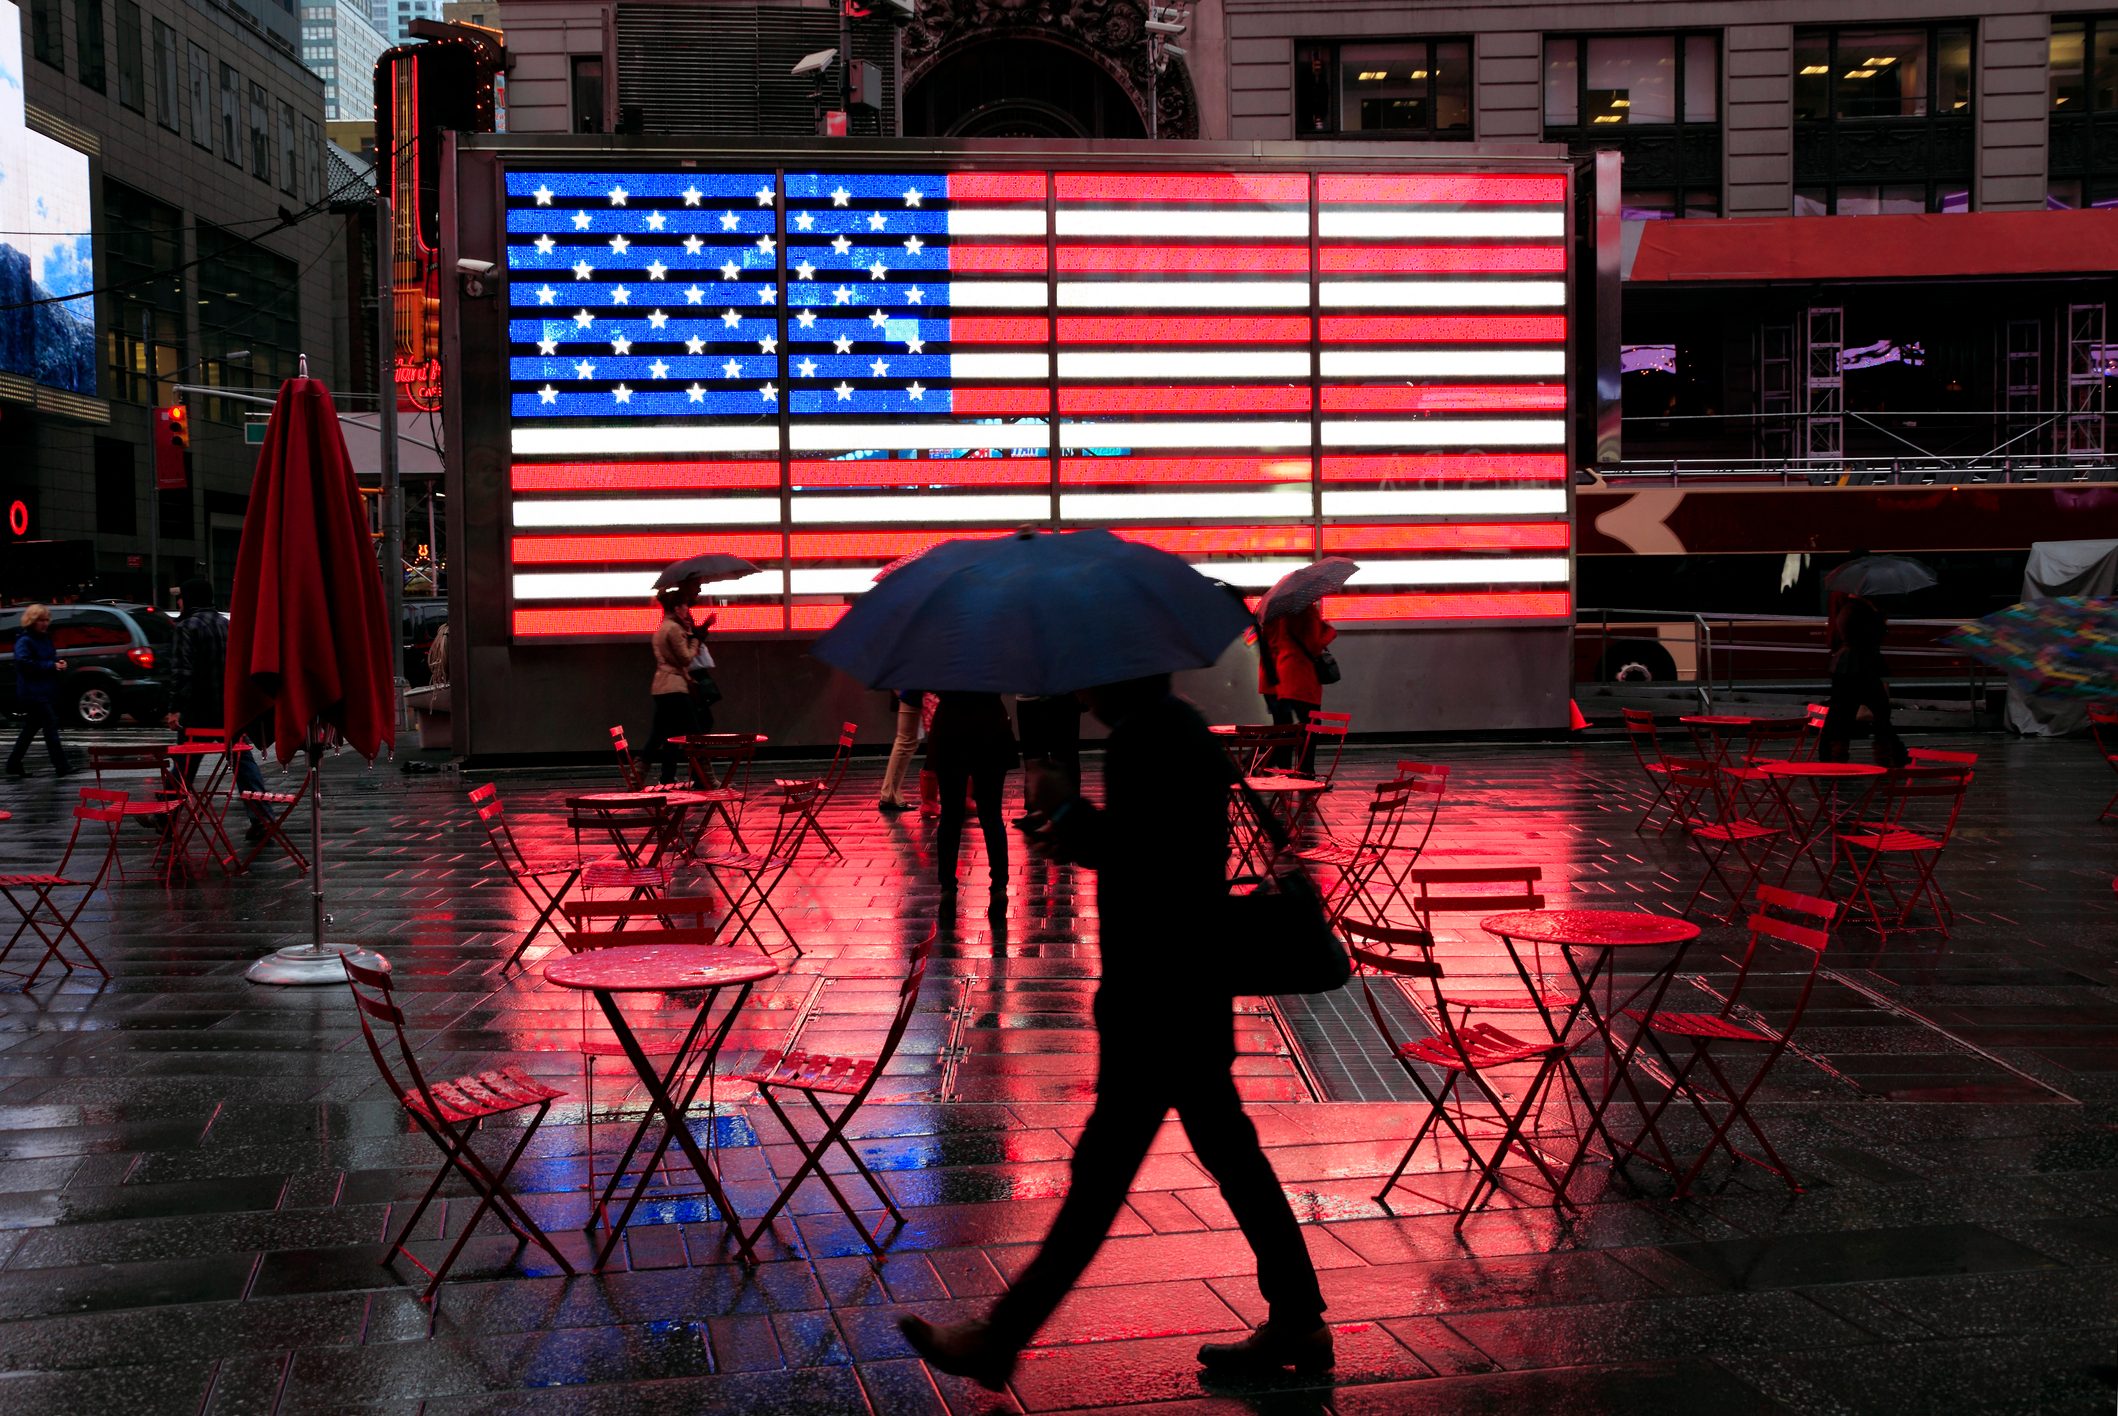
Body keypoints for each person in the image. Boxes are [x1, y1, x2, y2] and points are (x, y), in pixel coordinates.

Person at [900, 675, 1328, 1388]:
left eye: (1089, 675)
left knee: (1101, 1180)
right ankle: (1299, 1320)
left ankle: (1000, 1339)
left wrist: (1063, 805)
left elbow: (1146, 862)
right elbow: (1161, 851)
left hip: (1156, 996)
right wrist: (1071, 819)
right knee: (1230, 1162)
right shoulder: (1178, 726)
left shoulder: (1145, 738)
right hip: (1186, 990)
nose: (1079, 688)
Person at [164, 579, 271, 836]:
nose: (178, 602)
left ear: (189, 599)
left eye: (181, 597)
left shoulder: (186, 627)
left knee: (183, 765)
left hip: (197, 712)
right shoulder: (226, 625)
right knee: (243, 763)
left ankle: (166, 815)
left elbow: (182, 671)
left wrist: (176, 707)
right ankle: (262, 816)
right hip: (228, 711)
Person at [924, 691, 1016, 915]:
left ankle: (947, 887)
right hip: (991, 725)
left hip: (950, 727)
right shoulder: (995, 655)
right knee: (992, 816)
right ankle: (999, 887)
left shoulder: (946, 656)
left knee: (950, 817)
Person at [1819, 590, 1909, 768]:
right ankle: (1890, 753)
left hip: (1853, 666)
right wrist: (1879, 618)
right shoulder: (1856, 609)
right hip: (1858, 666)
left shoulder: (1851, 609)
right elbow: (1872, 636)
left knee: (1844, 712)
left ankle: (1835, 754)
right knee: (1876, 709)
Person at [1257, 602, 1336, 776]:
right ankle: (1305, 772)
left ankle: (1279, 767)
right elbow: (1314, 645)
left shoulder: (1279, 612)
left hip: (1282, 674)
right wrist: (1329, 632)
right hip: (1301, 676)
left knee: (1285, 727)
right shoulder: (1306, 611)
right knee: (1311, 726)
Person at [6, 605, 70, 779]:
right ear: (32, 621)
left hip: (44, 689)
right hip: (32, 692)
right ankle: (61, 765)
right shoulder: (25, 640)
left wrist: (59, 662)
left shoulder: (44, 638)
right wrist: (51, 665)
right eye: (41, 620)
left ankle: (13, 763)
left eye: (46, 620)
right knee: (50, 725)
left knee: (31, 728)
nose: (44, 623)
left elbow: (48, 658)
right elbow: (24, 662)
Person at [645, 585, 698, 785]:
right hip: (674, 687)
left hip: (660, 686)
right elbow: (685, 658)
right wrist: (694, 640)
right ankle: (704, 778)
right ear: (677, 608)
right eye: (685, 605)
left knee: (665, 734)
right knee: (694, 733)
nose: (687, 609)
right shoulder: (674, 629)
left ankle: (650, 774)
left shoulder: (661, 628)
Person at [1014, 692, 1083, 791]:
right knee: (1063, 759)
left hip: (1040, 695)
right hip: (1058, 693)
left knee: (1039, 760)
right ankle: (1068, 801)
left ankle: (1065, 800)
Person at [877, 689, 922, 813]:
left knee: (906, 741)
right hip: (916, 692)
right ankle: (889, 794)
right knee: (906, 741)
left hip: (912, 692)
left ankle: (890, 794)